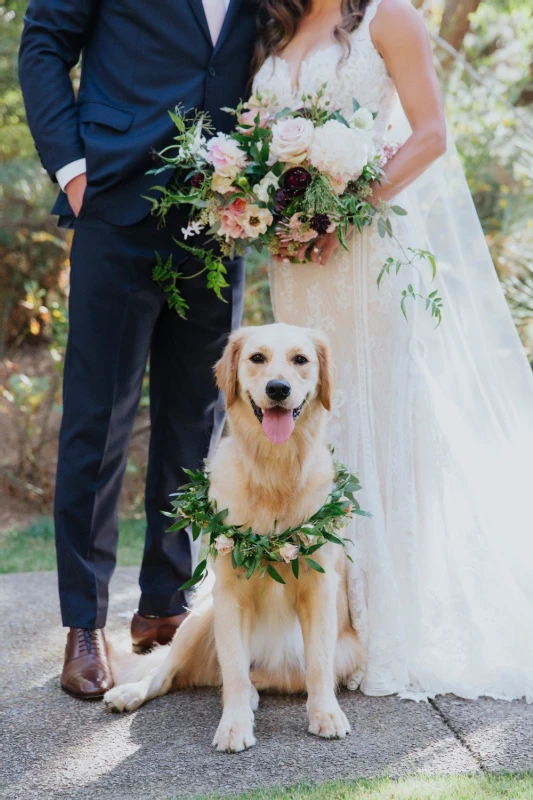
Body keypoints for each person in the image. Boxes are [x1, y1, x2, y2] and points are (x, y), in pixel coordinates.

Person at [253, 0, 533, 701]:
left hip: (363, 251)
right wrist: (263, 206)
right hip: (296, 260)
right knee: (313, 421)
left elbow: (431, 134)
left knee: (371, 414)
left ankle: (384, 622)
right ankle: (322, 619)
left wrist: (342, 211)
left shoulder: (389, 18)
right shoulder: (274, 26)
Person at [18, 0, 257, 699]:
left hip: (222, 219)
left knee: (195, 421)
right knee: (97, 422)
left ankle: (164, 604)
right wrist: (73, 170)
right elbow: (42, 47)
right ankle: (84, 623)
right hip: (117, 202)